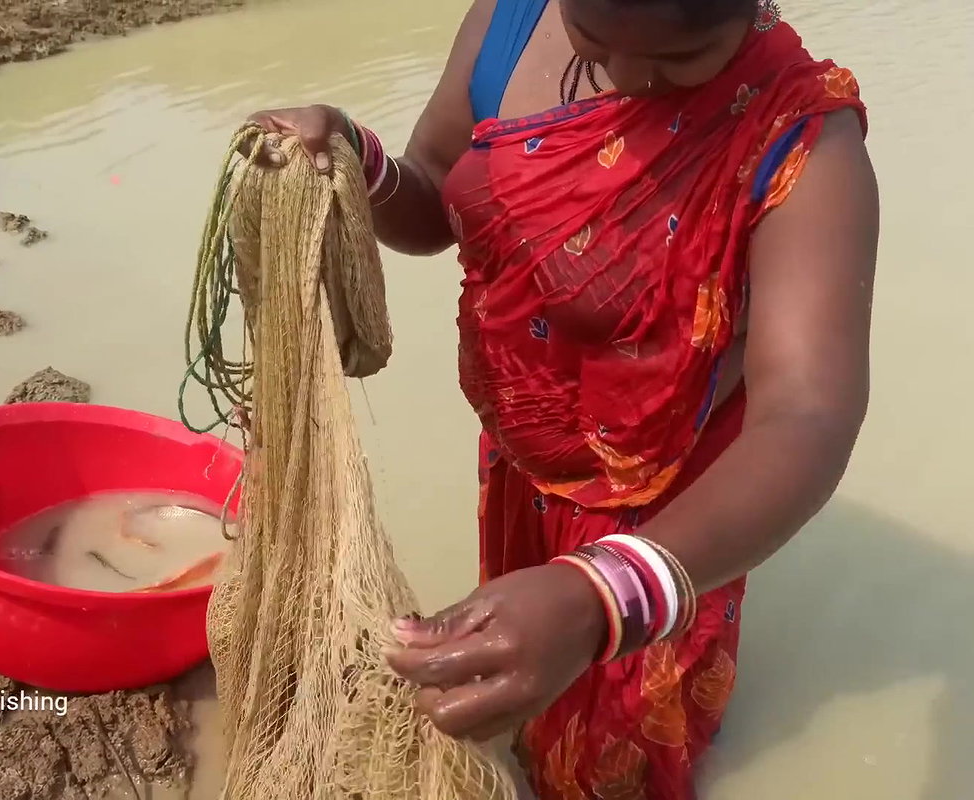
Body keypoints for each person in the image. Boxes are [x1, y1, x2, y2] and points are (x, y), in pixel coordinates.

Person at [243, 0, 877, 796]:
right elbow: (438, 194)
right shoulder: (508, 25)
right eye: (594, 41)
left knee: (616, 764)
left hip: (668, 522)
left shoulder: (801, 140)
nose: (632, 78)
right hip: (522, 469)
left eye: (685, 61)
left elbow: (808, 414)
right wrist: (353, 158)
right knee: (521, 702)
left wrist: (601, 595)